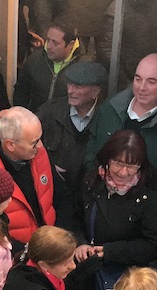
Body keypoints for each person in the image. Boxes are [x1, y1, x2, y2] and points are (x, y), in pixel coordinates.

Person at [68, 129, 157, 290]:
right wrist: (79, 242)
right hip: (87, 274)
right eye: (118, 163)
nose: (123, 172)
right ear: (107, 160)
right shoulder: (91, 182)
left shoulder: (148, 197)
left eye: (132, 166)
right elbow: (74, 217)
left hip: (124, 282)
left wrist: (110, 251)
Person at [86, 53, 157, 217]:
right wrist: (94, 177)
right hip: (101, 206)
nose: (142, 87)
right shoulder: (110, 109)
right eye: (138, 79)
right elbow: (92, 144)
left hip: (146, 216)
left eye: (151, 81)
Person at [0, 106, 73, 247]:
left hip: (52, 243)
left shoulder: (39, 154)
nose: (40, 146)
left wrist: (59, 237)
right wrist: (27, 253)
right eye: (33, 143)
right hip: (19, 254)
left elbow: (61, 196)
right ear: (10, 145)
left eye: (39, 138)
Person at [36, 61, 106, 196]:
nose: (70, 90)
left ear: (95, 92)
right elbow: (27, 146)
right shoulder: (50, 112)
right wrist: (47, 165)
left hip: (90, 196)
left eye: (77, 86)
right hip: (53, 193)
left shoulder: (107, 118)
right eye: (69, 84)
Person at [13, 22, 83, 111]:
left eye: (55, 43)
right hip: (35, 117)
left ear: (70, 45)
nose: (49, 46)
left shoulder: (83, 67)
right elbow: (21, 92)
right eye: (48, 40)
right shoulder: (34, 60)